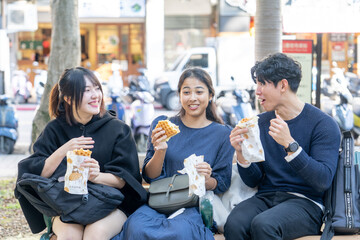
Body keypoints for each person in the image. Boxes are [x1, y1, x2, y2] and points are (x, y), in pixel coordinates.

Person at [15, 67, 147, 240]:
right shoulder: (54, 129)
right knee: (70, 236)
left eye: (97, 88)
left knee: (95, 234)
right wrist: (64, 150)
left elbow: (126, 180)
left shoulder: (118, 129)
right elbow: (38, 173)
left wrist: (96, 176)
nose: (95, 95)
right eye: (87, 90)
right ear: (68, 98)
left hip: (112, 205)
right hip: (66, 204)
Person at [224, 53, 341, 240]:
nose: (257, 91)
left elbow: (323, 180)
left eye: (263, 83)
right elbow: (253, 181)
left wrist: (290, 145)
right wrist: (241, 154)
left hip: (306, 203)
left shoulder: (323, 124)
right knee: (234, 223)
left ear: (283, 85)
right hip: (267, 196)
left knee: (264, 225)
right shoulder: (260, 123)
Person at [115, 67, 234, 240]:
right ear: (179, 95)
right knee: (136, 226)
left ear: (210, 96)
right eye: (186, 92)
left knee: (179, 231)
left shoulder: (223, 134)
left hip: (195, 206)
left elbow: (221, 182)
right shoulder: (162, 124)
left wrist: (205, 179)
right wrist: (160, 151)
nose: (192, 98)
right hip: (159, 201)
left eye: (199, 92)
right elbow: (149, 177)